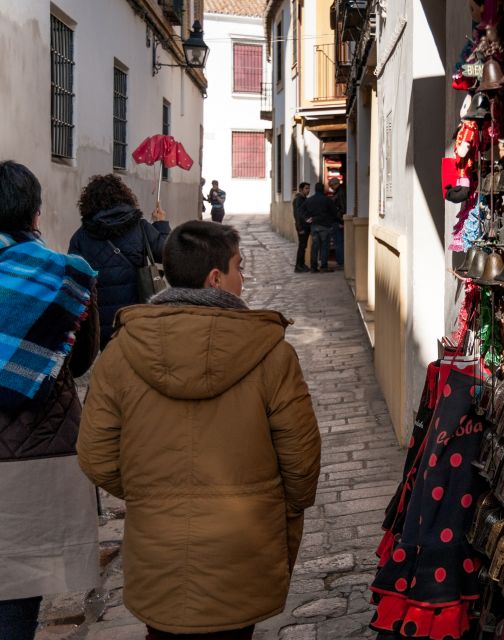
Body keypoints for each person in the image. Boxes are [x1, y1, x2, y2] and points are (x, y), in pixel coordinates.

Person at [78, 220, 322, 639]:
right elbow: (301, 463)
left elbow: (96, 455)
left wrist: (150, 490)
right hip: (242, 548)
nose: (243, 278)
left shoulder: (120, 353)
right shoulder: (273, 355)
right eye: (239, 268)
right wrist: (277, 509)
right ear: (215, 278)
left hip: (159, 551)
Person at [0, 161, 100, 640]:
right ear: (35, 214)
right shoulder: (66, 277)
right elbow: (79, 361)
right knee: (19, 595)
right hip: (36, 456)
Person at [68, 174, 170, 350]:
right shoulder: (140, 227)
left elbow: (74, 282)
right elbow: (167, 253)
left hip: (101, 325)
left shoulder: (81, 237)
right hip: (136, 317)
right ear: (125, 197)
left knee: (111, 364)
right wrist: (160, 225)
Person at [300, 181, 339, 273]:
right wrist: (333, 220)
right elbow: (334, 212)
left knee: (315, 247)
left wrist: (307, 218)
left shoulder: (309, 200)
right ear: (323, 189)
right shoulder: (327, 200)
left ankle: (313, 267)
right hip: (325, 226)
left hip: (314, 226)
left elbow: (301, 210)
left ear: (315, 189)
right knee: (324, 246)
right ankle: (324, 266)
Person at [292, 182, 311, 272]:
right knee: (302, 247)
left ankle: (302, 264)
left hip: (305, 226)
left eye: (308, 188)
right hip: (302, 227)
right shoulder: (299, 199)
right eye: (306, 188)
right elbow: (298, 214)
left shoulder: (304, 199)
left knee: (303, 247)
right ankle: (298, 266)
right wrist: (300, 228)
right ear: (301, 189)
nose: (308, 190)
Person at [329, 178, 346, 270]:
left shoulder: (340, 193)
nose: (331, 188)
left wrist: (341, 221)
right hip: (336, 221)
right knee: (338, 242)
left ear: (335, 184)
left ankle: (340, 261)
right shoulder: (338, 192)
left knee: (338, 242)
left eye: (331, 186)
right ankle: (340, 260)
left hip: (338, 221)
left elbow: (343, 208)